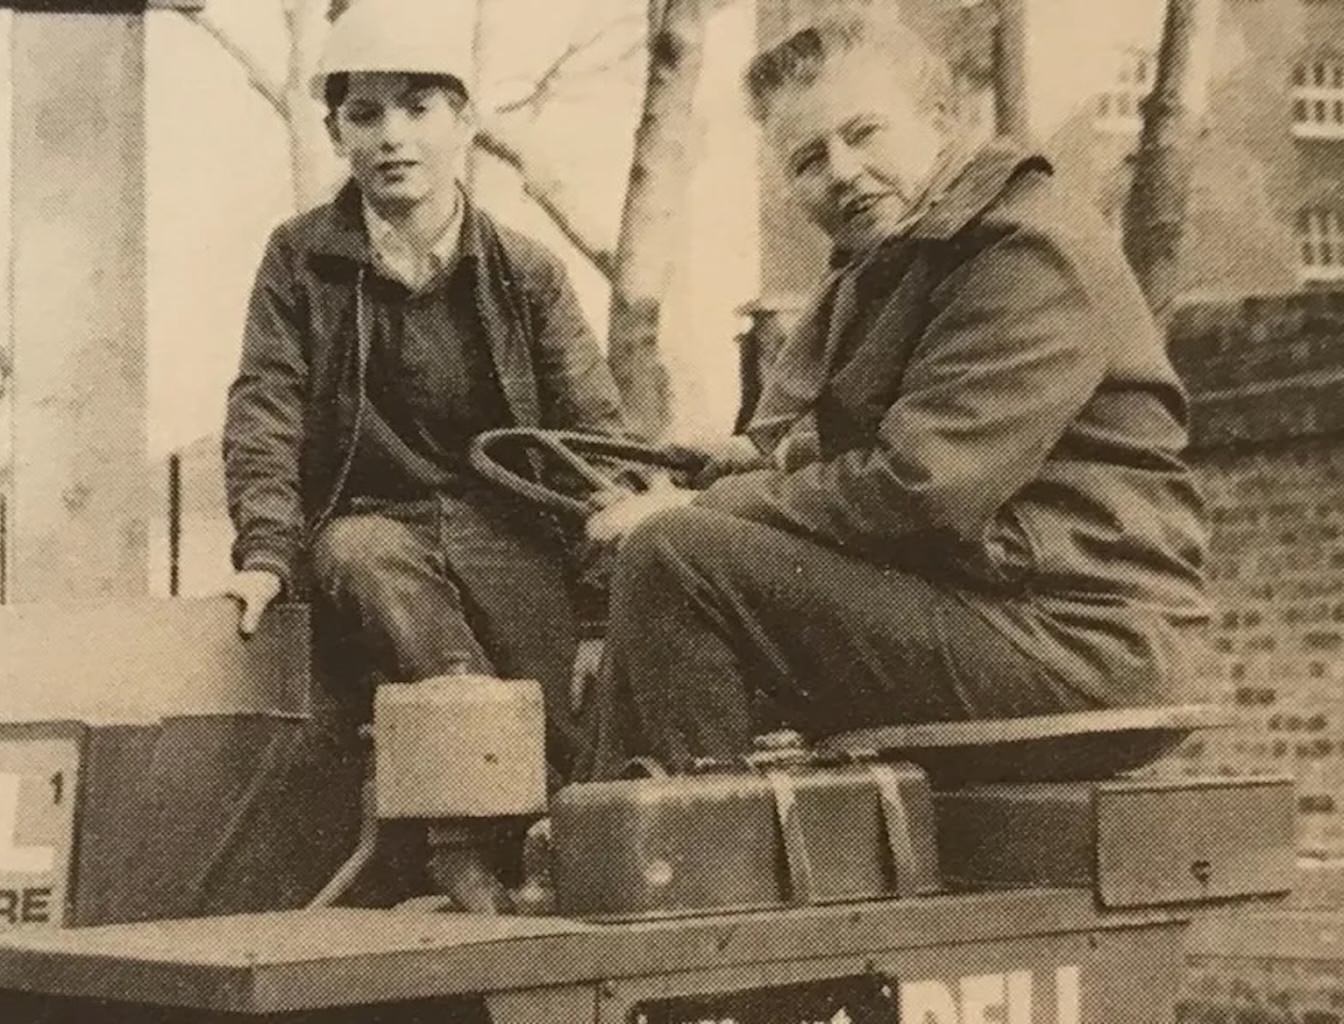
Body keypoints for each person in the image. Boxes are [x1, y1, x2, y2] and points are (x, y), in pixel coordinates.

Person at [578, 10, 1211, 779]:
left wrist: (701, 508)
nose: (841, 171)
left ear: (940, 121)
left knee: (677, 558)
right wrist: (738, 460)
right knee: (657, 581)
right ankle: (614, 834)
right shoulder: (886, 260)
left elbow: (919, 487)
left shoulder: (1024, 251)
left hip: (1079, 639)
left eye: (864, 132)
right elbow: (834, 441)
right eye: (808, 159)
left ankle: (687, 861)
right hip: (994, 609)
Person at [221, 0, 626, 907]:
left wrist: (606, 571)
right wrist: (264, 553)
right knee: (369, 565)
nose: (392, 136)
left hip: (506, 532)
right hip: (372, 531)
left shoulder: (525, 270)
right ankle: (471, 846)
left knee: (563, 719)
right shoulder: (299, 260)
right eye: (365, 114)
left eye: (418, 107)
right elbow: (266, 408)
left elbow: (593, 433)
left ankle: (541, 847)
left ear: (465, 121)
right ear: (335, 132)